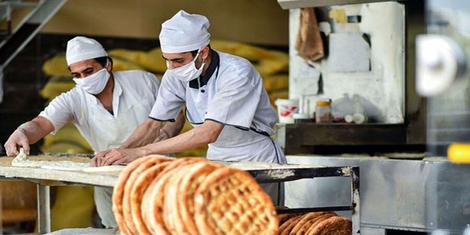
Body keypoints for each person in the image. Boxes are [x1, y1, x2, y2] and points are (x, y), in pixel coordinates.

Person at [96, 10, 286, 203]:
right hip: (217, 155)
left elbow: (208, 132)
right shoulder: (175, 74)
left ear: (202, 52)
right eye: (166, 59)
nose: (171, 67)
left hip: (255, 157)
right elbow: (153, 124)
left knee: (261, 223)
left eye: (178, 60)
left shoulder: (237, 72)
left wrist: (142, 151)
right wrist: (119, 152)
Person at [3, 36, 184, 228]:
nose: (84, 79)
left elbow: (177, 112)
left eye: (89, 71)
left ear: (108, 65)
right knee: (117, 229)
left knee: (164, 226)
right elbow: (40, 124)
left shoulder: (143, 81)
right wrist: (22, 131)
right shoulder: (73, 99)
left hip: (156, 169)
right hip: (107, 175)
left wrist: (165, 135)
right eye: (77, 75)